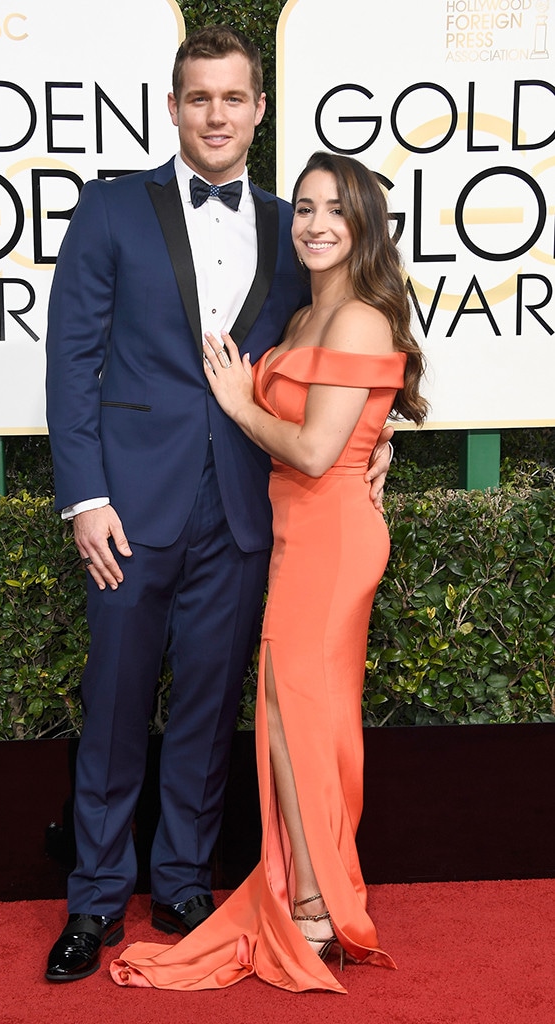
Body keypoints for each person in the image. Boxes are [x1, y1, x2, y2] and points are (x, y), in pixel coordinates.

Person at [45, 27, 392, 984]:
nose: (216, 115)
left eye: (233, 98)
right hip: (128, 509)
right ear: (172, 106)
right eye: (199, 97)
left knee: (206, 707)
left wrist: (380, 432)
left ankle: (185, 880)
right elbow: (70, 365)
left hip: (247, 509)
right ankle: (96, 898)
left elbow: (341, 338)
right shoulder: (111, 210)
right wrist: (84, 497)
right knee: (114, 705)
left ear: (259, 110)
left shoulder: (294, 227)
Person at [109, 151, 428, 994]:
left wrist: (240, 404)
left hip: (330, 539)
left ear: (364, 226)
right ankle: (310, 891)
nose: (316, 224)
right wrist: (376, 437)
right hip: (296, 535)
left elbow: (321, 450)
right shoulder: (302, 317)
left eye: (337, 211)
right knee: (287, 715)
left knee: (305, 717)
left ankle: (319, 902)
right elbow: (346, 425)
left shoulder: (355, 317)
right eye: (306, 209)